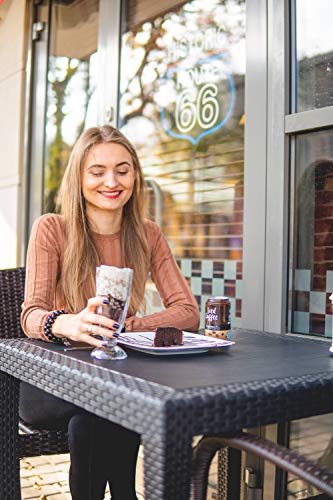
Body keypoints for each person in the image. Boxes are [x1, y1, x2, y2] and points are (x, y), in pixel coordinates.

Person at [20, 125, 200, 500]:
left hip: (115, 375)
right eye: (97, 171)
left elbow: (187, 312)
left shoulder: (148, 234)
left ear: (135, 174)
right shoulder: (52, 229)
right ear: (79, 177)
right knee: (118, 405)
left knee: (100, 413)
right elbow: (30, 315)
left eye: (122, 169)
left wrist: (134, 326)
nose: (111, 181)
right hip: (53, 379)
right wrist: (70, 322)